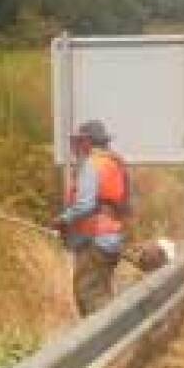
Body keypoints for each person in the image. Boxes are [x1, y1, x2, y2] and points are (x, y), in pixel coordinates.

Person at [52, 120, 130, 316]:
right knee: (100, 293)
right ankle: (112, 339)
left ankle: (106, 342)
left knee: (89, 295)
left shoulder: (92, 165)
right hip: (110, 240)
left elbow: (85, 205)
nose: (76, 147)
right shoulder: (113, 163)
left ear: (87, 142)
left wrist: (63, 220)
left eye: (79, 142)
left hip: (94, 241)